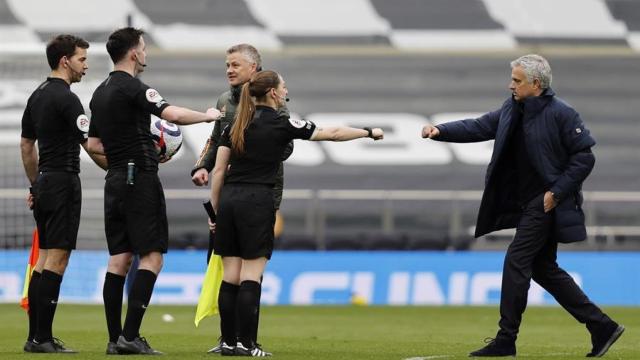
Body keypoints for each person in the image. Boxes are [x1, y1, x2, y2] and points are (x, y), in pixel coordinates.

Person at [421, 54, 624, 357]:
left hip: (544, 205)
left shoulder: (562, 114)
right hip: (528, 204)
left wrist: (555, 193)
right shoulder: (511, 108)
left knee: (516, 260)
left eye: (516, 81)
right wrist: (441, 130)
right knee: (544, 269)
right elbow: (478, 126)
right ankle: (601, 326)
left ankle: (506, 339)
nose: (510, 85)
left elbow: (585, 158)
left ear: (536, 84)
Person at [210, 70, 383, 356]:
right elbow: (333, 133)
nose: (285, 90)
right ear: (275, 93)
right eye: (284, 86)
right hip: (258, 200)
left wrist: (214, 211)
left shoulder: (235, 125)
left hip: (229, 200)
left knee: (230, 276)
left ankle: (228, 343)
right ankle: (248, 344)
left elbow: (218, 172)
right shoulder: (282, 123)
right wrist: (368, 131)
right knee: (251, 276)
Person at [87, 27, 221, 355]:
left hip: (115, 179)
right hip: (140, 180)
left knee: (118, 258)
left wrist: (122, 158)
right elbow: (171, 114)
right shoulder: (135, 88)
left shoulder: (99, 92)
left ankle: (114, 339)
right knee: (152, 257)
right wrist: (207, 116)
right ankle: (131, 336)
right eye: (144, 48)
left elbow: (92, 144)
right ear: (134, 53)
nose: (145, 53)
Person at [190, 43, 292, 353]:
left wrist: (246, 157)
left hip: (262, 191)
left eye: (235, 64)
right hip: (230, 194)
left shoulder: (275, 102)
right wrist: (202, 166)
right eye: (227, 65)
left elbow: (284, 147)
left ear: (254, 70)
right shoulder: (224, 101)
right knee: (228, 269)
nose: (229, 70)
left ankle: (247, 340)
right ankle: (230, 340)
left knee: (249, 271)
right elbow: (215, 138)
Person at [20, 34, 107, 353]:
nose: (86, 65)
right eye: (82, 59)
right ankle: (42, 338)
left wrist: (35, 184)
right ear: (65, 60)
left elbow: (26, 146)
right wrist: (123, 165)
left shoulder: (38, 95)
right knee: (57, 258)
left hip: (45, 182)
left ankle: (36, 337)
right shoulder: (68, 99)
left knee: (43, 258)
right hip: (64, 182)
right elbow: (90, 145)